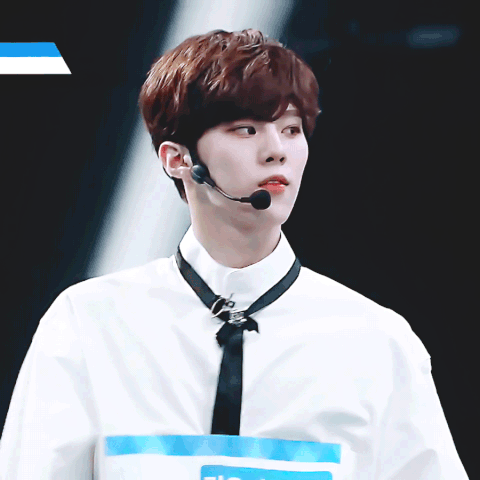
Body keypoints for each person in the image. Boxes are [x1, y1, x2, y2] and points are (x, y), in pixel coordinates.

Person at [0, 29, 469, 480]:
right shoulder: (88, 324)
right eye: (247, 129)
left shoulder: (377, 342)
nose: (277, 151)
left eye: (291, 129)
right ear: (177, 159)